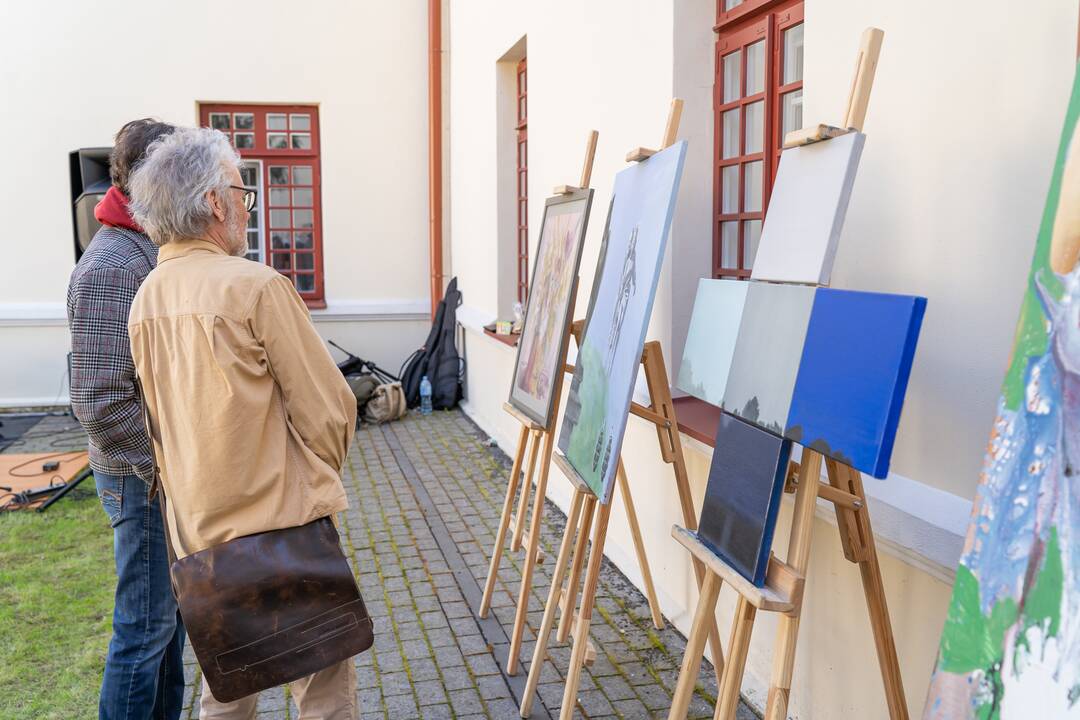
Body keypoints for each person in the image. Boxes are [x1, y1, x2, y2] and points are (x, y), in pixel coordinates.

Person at [125, 126, 359, 719]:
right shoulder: (257, 286)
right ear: (213, 202)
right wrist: (312, 478)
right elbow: (328, 409)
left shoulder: (146, 297)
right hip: (284, 527)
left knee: (227, 692)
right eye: (242, 191)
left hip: (200, 534)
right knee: (323, 694)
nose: (246, 208)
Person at [66, 118, 186, 720]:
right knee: (143, 635)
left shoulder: (147, 249)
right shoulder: (112, 266)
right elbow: (104, 404)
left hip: (161, 476)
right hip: (141, 479)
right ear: (148, 180)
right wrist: (170, 467)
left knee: (168, 638)